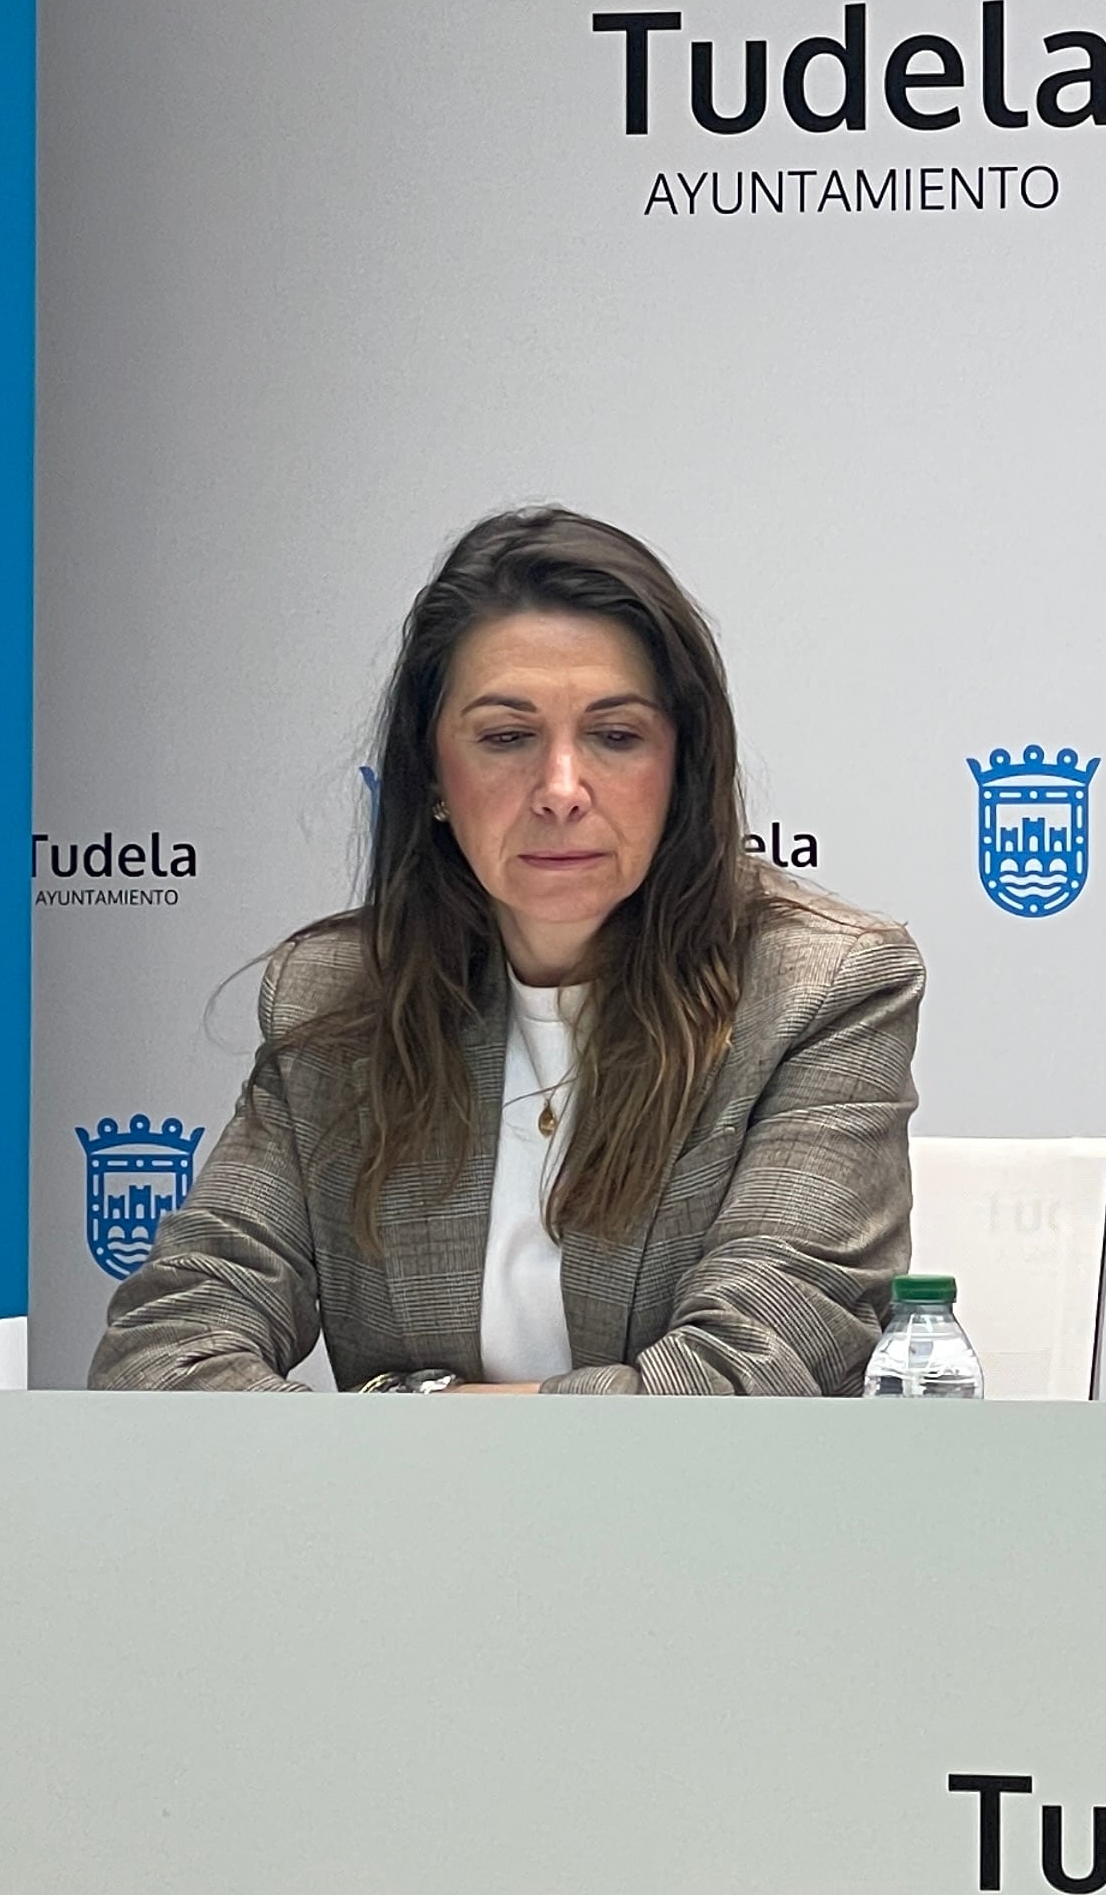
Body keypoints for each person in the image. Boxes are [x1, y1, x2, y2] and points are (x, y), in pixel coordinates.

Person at [92, 508, 924, 1395]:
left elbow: (739, 1383)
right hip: (398, 1535)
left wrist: (405, 1416)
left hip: (707, 1530)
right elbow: (166, 1346)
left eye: (615, 736)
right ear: (434, 779)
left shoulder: (822, 990)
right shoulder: (336, 999)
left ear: (681, 770)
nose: (561, 789)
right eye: (506, 737)